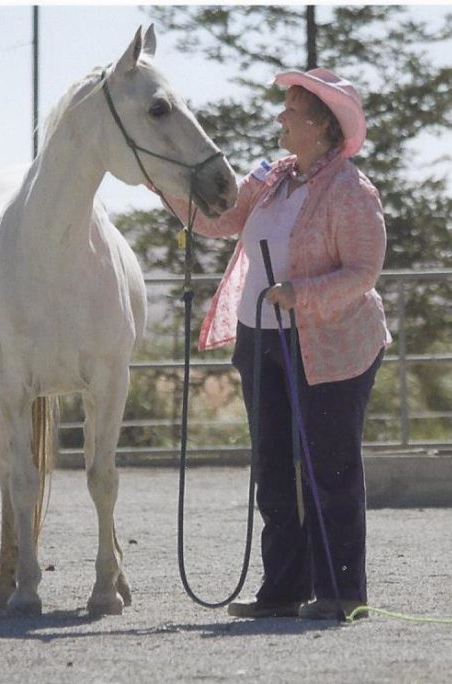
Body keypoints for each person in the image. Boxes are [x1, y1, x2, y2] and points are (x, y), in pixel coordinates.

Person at [163, 68, 391, 620]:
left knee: (328, 466)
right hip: (260, 339)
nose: (280, 118)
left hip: (330, 343)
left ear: (318, 124)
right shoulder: (271, 177)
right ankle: (283, 591)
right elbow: (217, 219)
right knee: (272, 466)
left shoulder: (351, 191)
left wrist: (301, 293)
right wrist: (163, 180)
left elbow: (362, 272)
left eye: (290, 110)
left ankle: (342, 592)